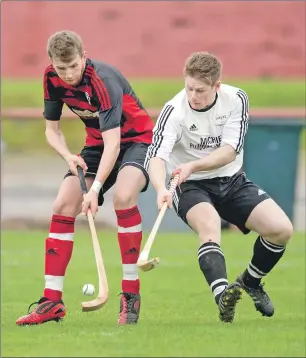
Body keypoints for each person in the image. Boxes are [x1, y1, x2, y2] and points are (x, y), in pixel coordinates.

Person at [16, 30, 154, 326]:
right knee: (63, 204)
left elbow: (115, 144)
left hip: (136, 141)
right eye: (60, 67)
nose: (67, 74)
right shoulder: (51, 78)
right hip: (96, 145)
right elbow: (52, 131)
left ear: (84, 57)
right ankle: (51, 302)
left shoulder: (102, 80)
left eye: (73, 66)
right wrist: (67, 155)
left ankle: (130, 294)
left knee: (124, 196)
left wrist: (96, 191)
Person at [146, 52, 293, 323]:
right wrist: (159, 188)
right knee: (210, 226)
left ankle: (250, 282)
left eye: (200, 90)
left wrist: (194, 164)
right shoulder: (174, 111)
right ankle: (223, 296)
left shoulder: (236, 99)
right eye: (189, 88)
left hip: (230, 179)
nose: (193, 96)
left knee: (281, 230)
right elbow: (157, 156)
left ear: (217, 86)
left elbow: (229, 151)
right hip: (188, 185)